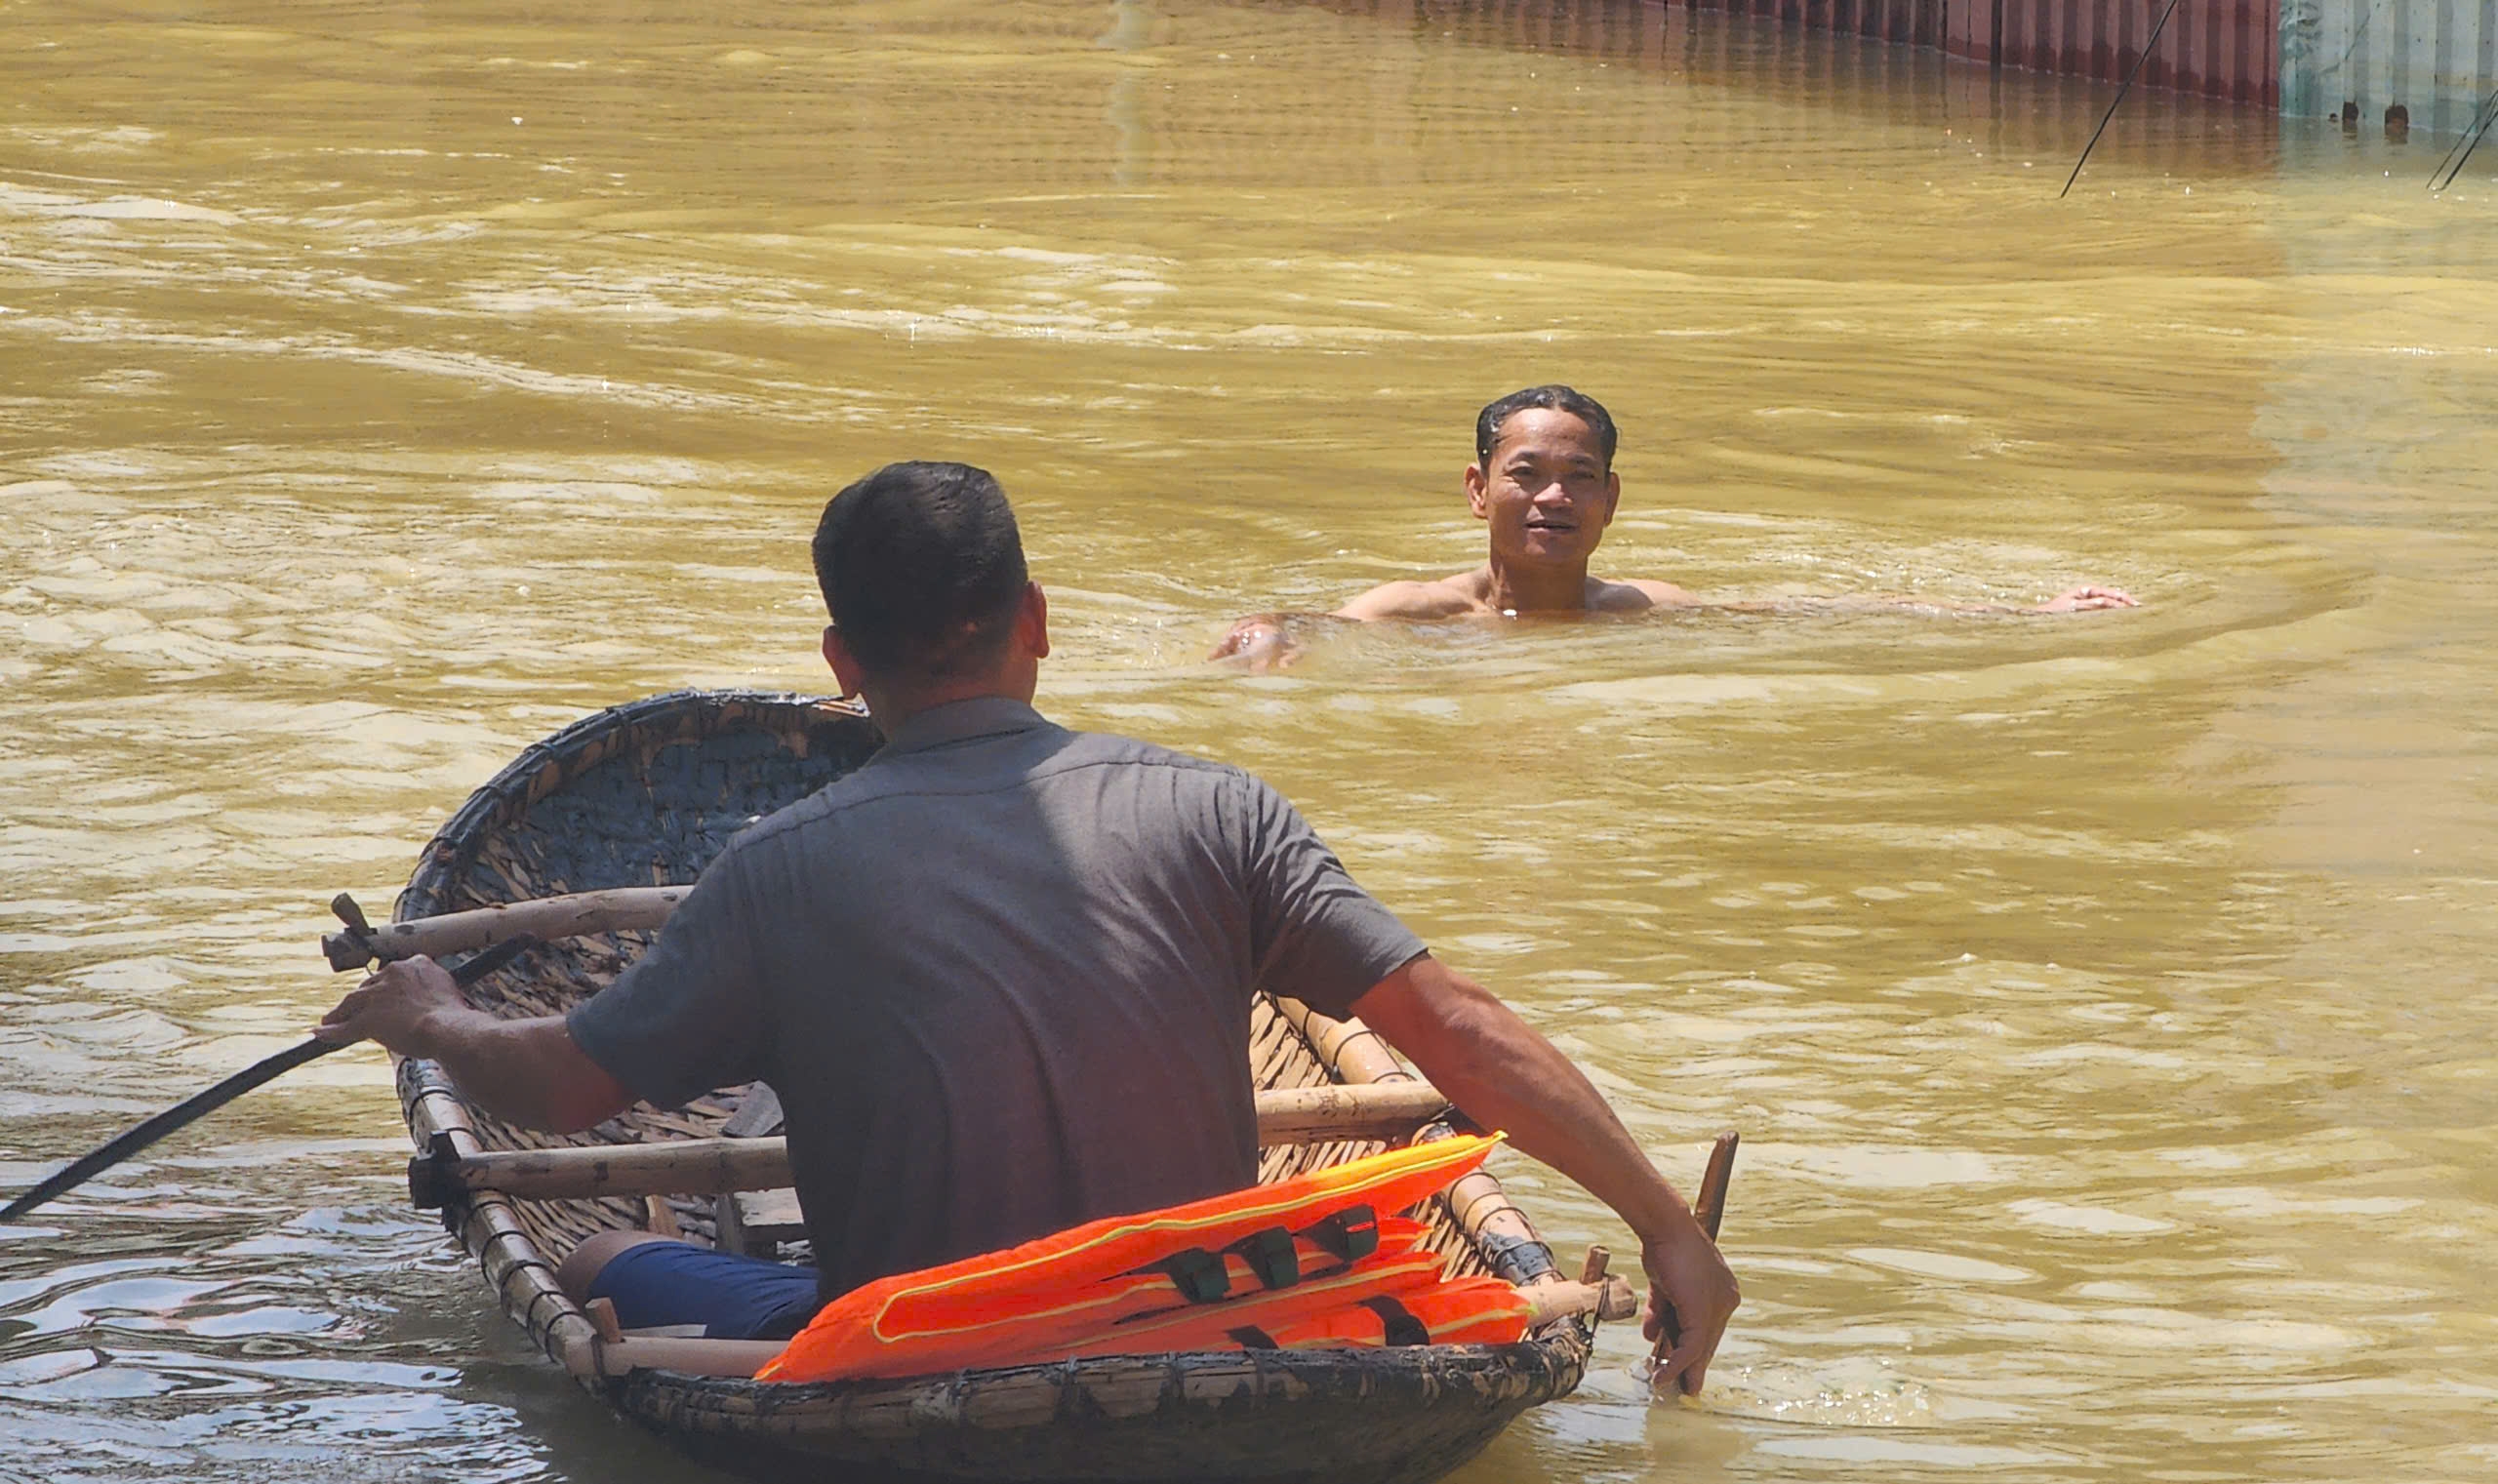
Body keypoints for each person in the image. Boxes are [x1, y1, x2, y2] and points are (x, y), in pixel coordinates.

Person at [315, 461, 1739, 1395]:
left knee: (594, 1263)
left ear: (840, 661)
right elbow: (1460, 1033)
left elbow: (568, 1087)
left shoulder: (777, 865)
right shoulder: (1216, 810)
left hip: (921, 1358)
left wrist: (434, 1017)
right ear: (1038, 622)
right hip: (1205, 1338)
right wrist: (1665, 1228)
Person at [1211, 383, 2138, 669]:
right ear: (1476, 489)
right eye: (1525, 476)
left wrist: (2025, 616)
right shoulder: (1413, 611)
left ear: (1612, 500)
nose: (1552, 498)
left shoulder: (1644, 610)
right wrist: (1264, 636)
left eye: (1579, 479)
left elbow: (1813, 611)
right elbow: (1300, 625)